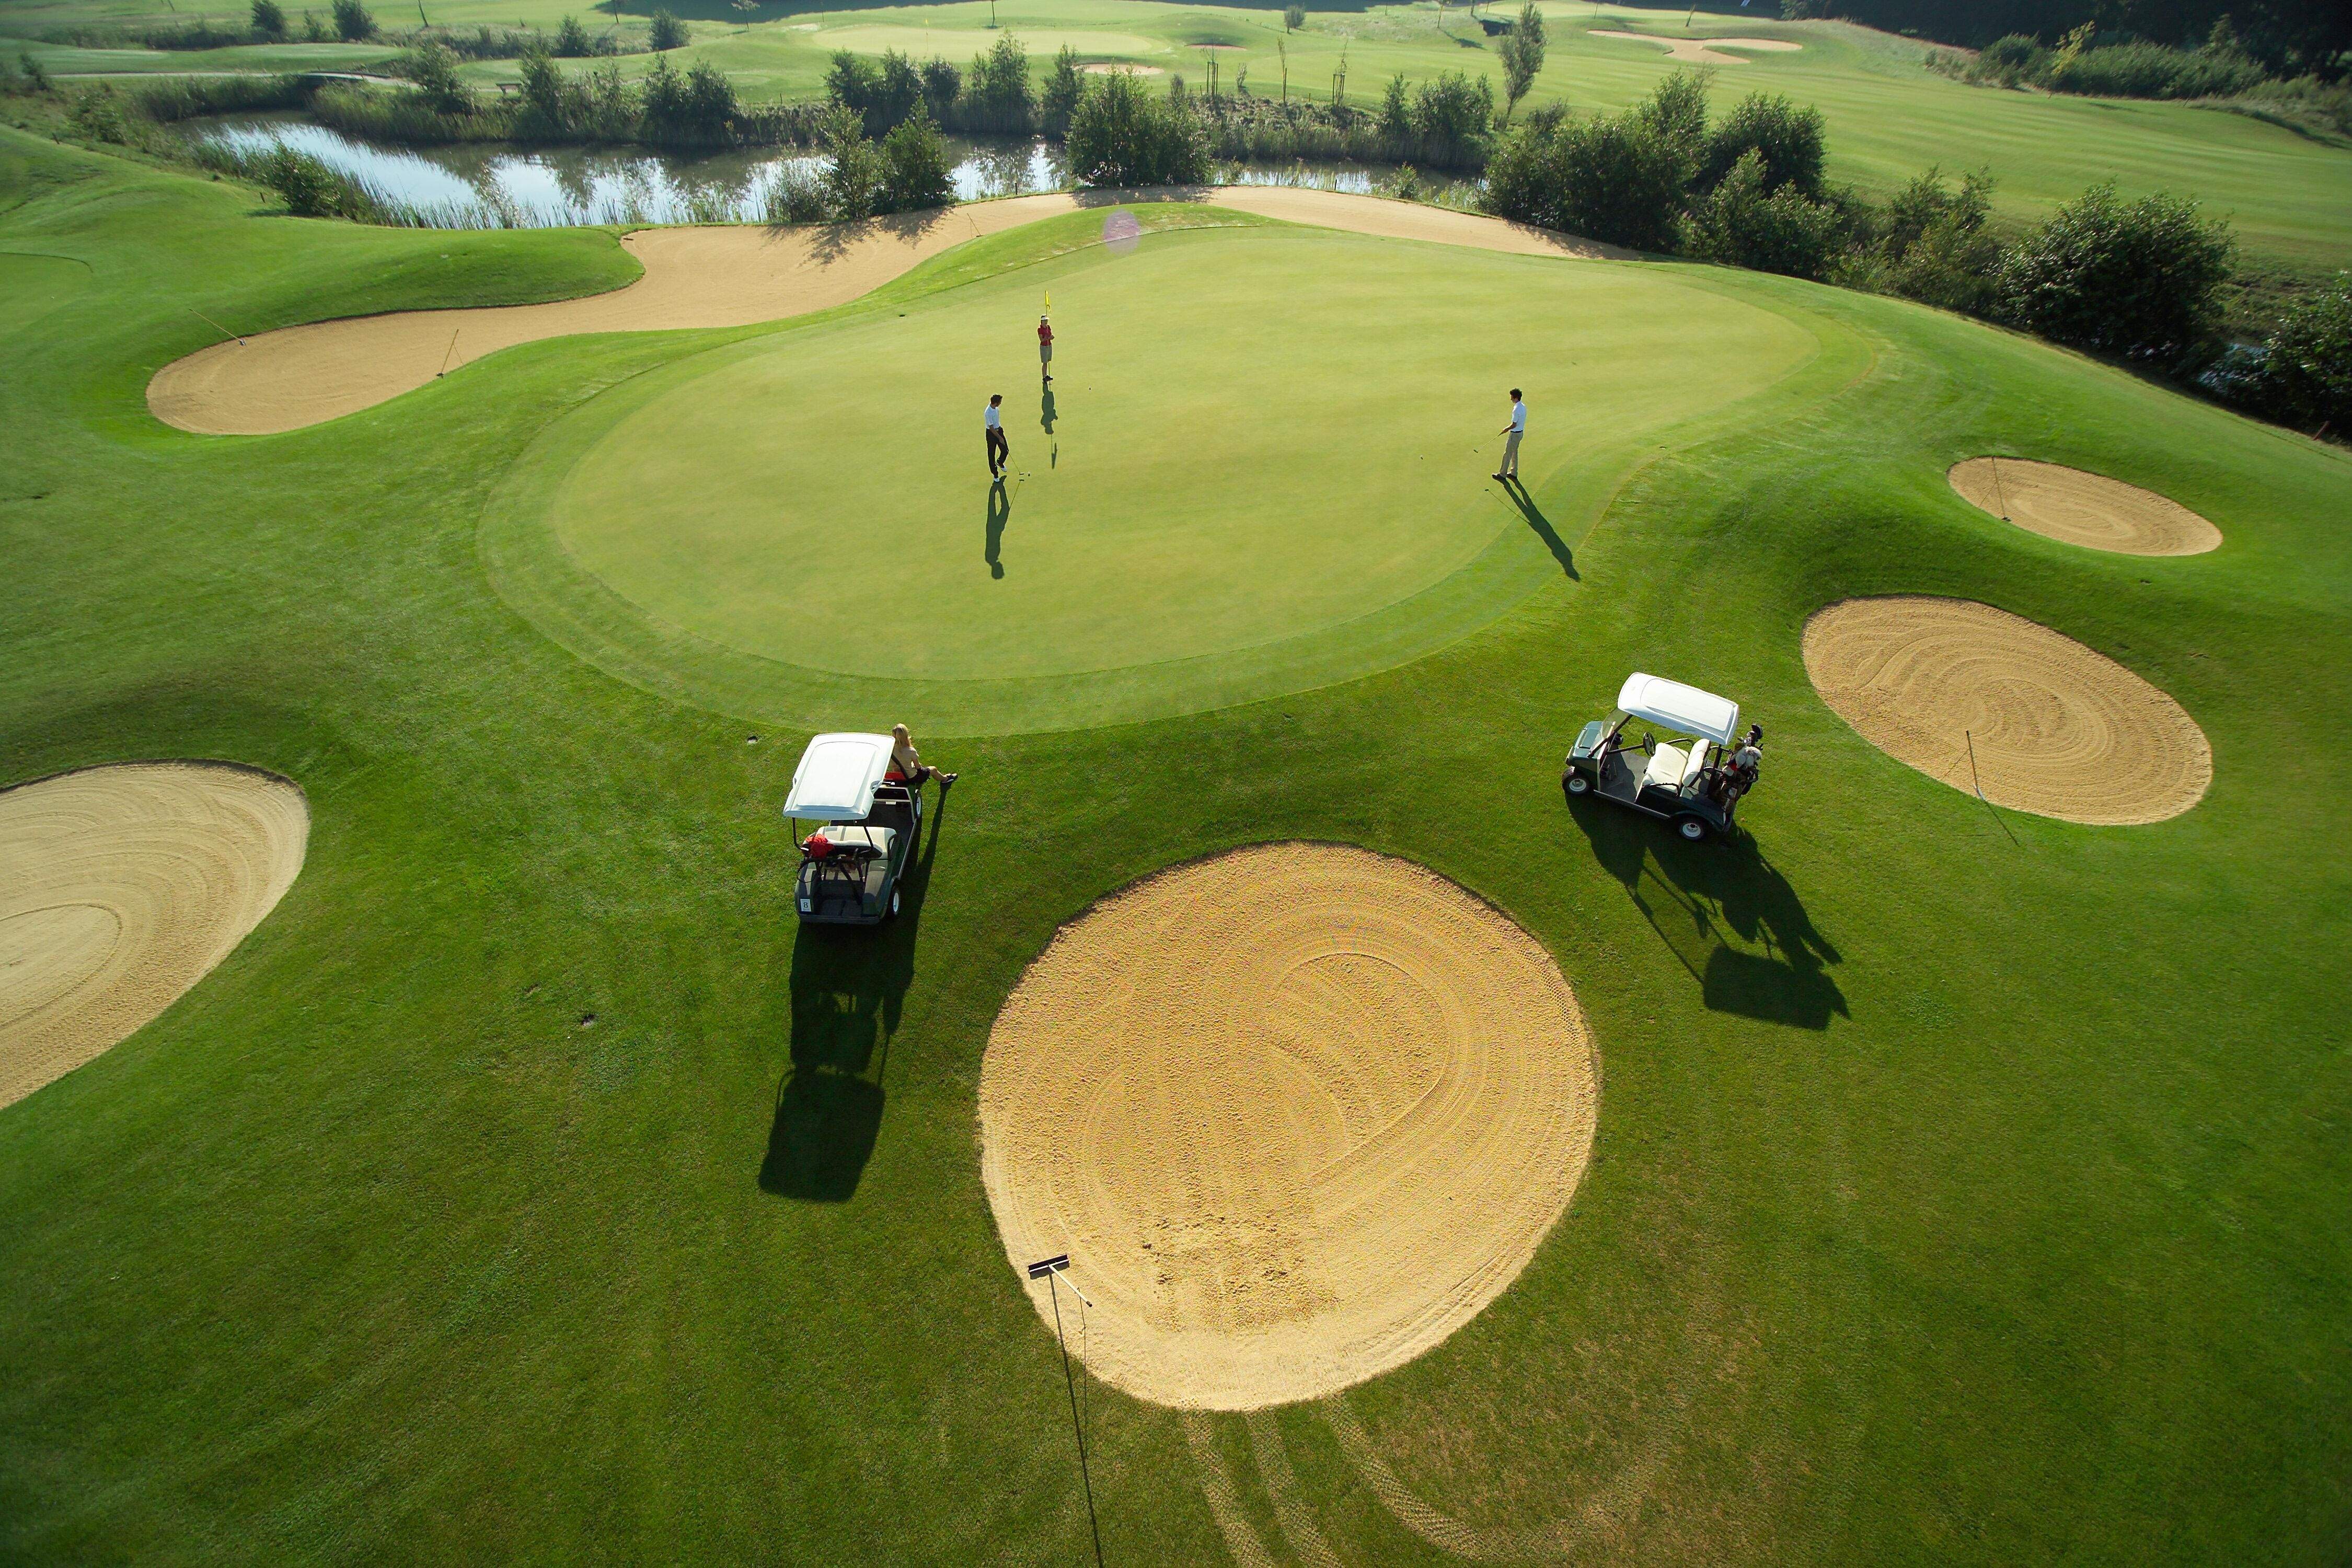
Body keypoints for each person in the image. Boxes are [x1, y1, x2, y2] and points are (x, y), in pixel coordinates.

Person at [889, 723, 957, 790]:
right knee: (933, 769)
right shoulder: (911, 751)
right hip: (911, 778)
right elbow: (918, 767)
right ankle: (946, 779)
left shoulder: (890, 749)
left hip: (897, 778)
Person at [1494, 388, 1526, 482]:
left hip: (1515, 435)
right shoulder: (1523, 406)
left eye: (1512, 397)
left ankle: (1502, 475)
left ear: (1515, 397)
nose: (1511, 399)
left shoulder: (1516, 409)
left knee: (1507, 454)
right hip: (1520, 433)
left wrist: (1506, 429)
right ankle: (1514, 473)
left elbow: (1514, 425)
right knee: (1514, 453)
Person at [985, 394, 1008, 480]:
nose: (1000, 404)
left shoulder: (996, 409)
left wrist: (1000, 431)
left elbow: (996, 423)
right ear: (996, 403)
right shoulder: (988, 412)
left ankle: (1000, 462)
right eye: (1000, 402)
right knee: (991, 454)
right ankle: (995, 474)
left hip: (999, 431)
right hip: (991, 434)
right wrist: (1000, 438)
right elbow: (991, 428)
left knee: (1005, 450)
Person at [1037, 314, 1054, 385]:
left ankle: (1046, 376)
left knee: (1047, 361)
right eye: (1045, 320)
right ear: (1042, 321)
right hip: (1044, 347)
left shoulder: (1048, 327)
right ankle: (1044, 377)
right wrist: (1047, 338)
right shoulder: (1040, 329)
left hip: (1049, 345)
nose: (1046, 321)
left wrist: (1051, 337)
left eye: (1047, 320)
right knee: (1044, 362)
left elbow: (1050, 335)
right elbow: (1042, 340)